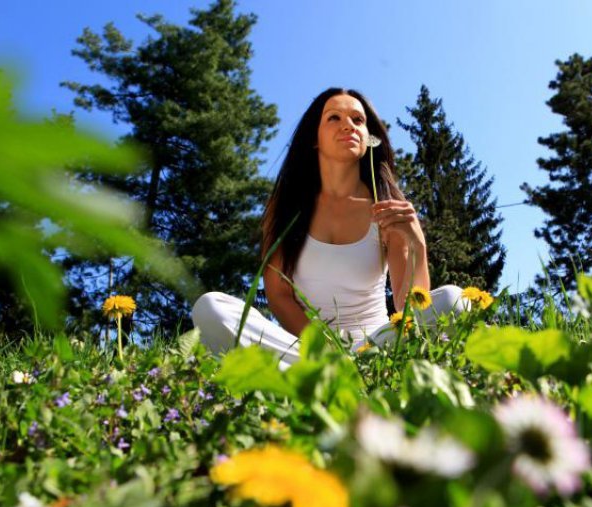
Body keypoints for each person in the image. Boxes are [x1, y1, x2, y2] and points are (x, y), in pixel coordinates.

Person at [191, 88, 467, 368]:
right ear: (314, 138)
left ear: (368, 138)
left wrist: (417, 243)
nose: (349, 125)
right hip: (309, 351)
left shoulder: (386, 207)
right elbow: (279, 295)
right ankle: (329, 376)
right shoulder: (286, 205)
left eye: (358, 120)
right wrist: (326, 352)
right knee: (211, 307)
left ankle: (325, 380)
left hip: (377, 348)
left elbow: (410, 304)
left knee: (454, 301)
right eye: (334, 117)